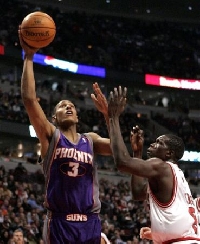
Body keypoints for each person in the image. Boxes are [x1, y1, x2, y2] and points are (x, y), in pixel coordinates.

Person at [18, 29, 112, 243]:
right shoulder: (51, 135)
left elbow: (120, 151)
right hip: (60, 222)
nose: (68, 106)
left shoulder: (91, 140)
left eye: (71, 106)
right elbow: (29, 99)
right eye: (62, 106)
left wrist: (109, 117)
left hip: (90, 221)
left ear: (78, 116)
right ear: (54, 116)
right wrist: (29, 56)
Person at [95, 85, 200, 244]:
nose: (152, 144)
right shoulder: (176, 177)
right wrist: (137, 154)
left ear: (169, 154)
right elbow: (138, 193)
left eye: (159, 143)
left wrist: (113, 117)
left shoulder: (161, 166)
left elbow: (122, 162)